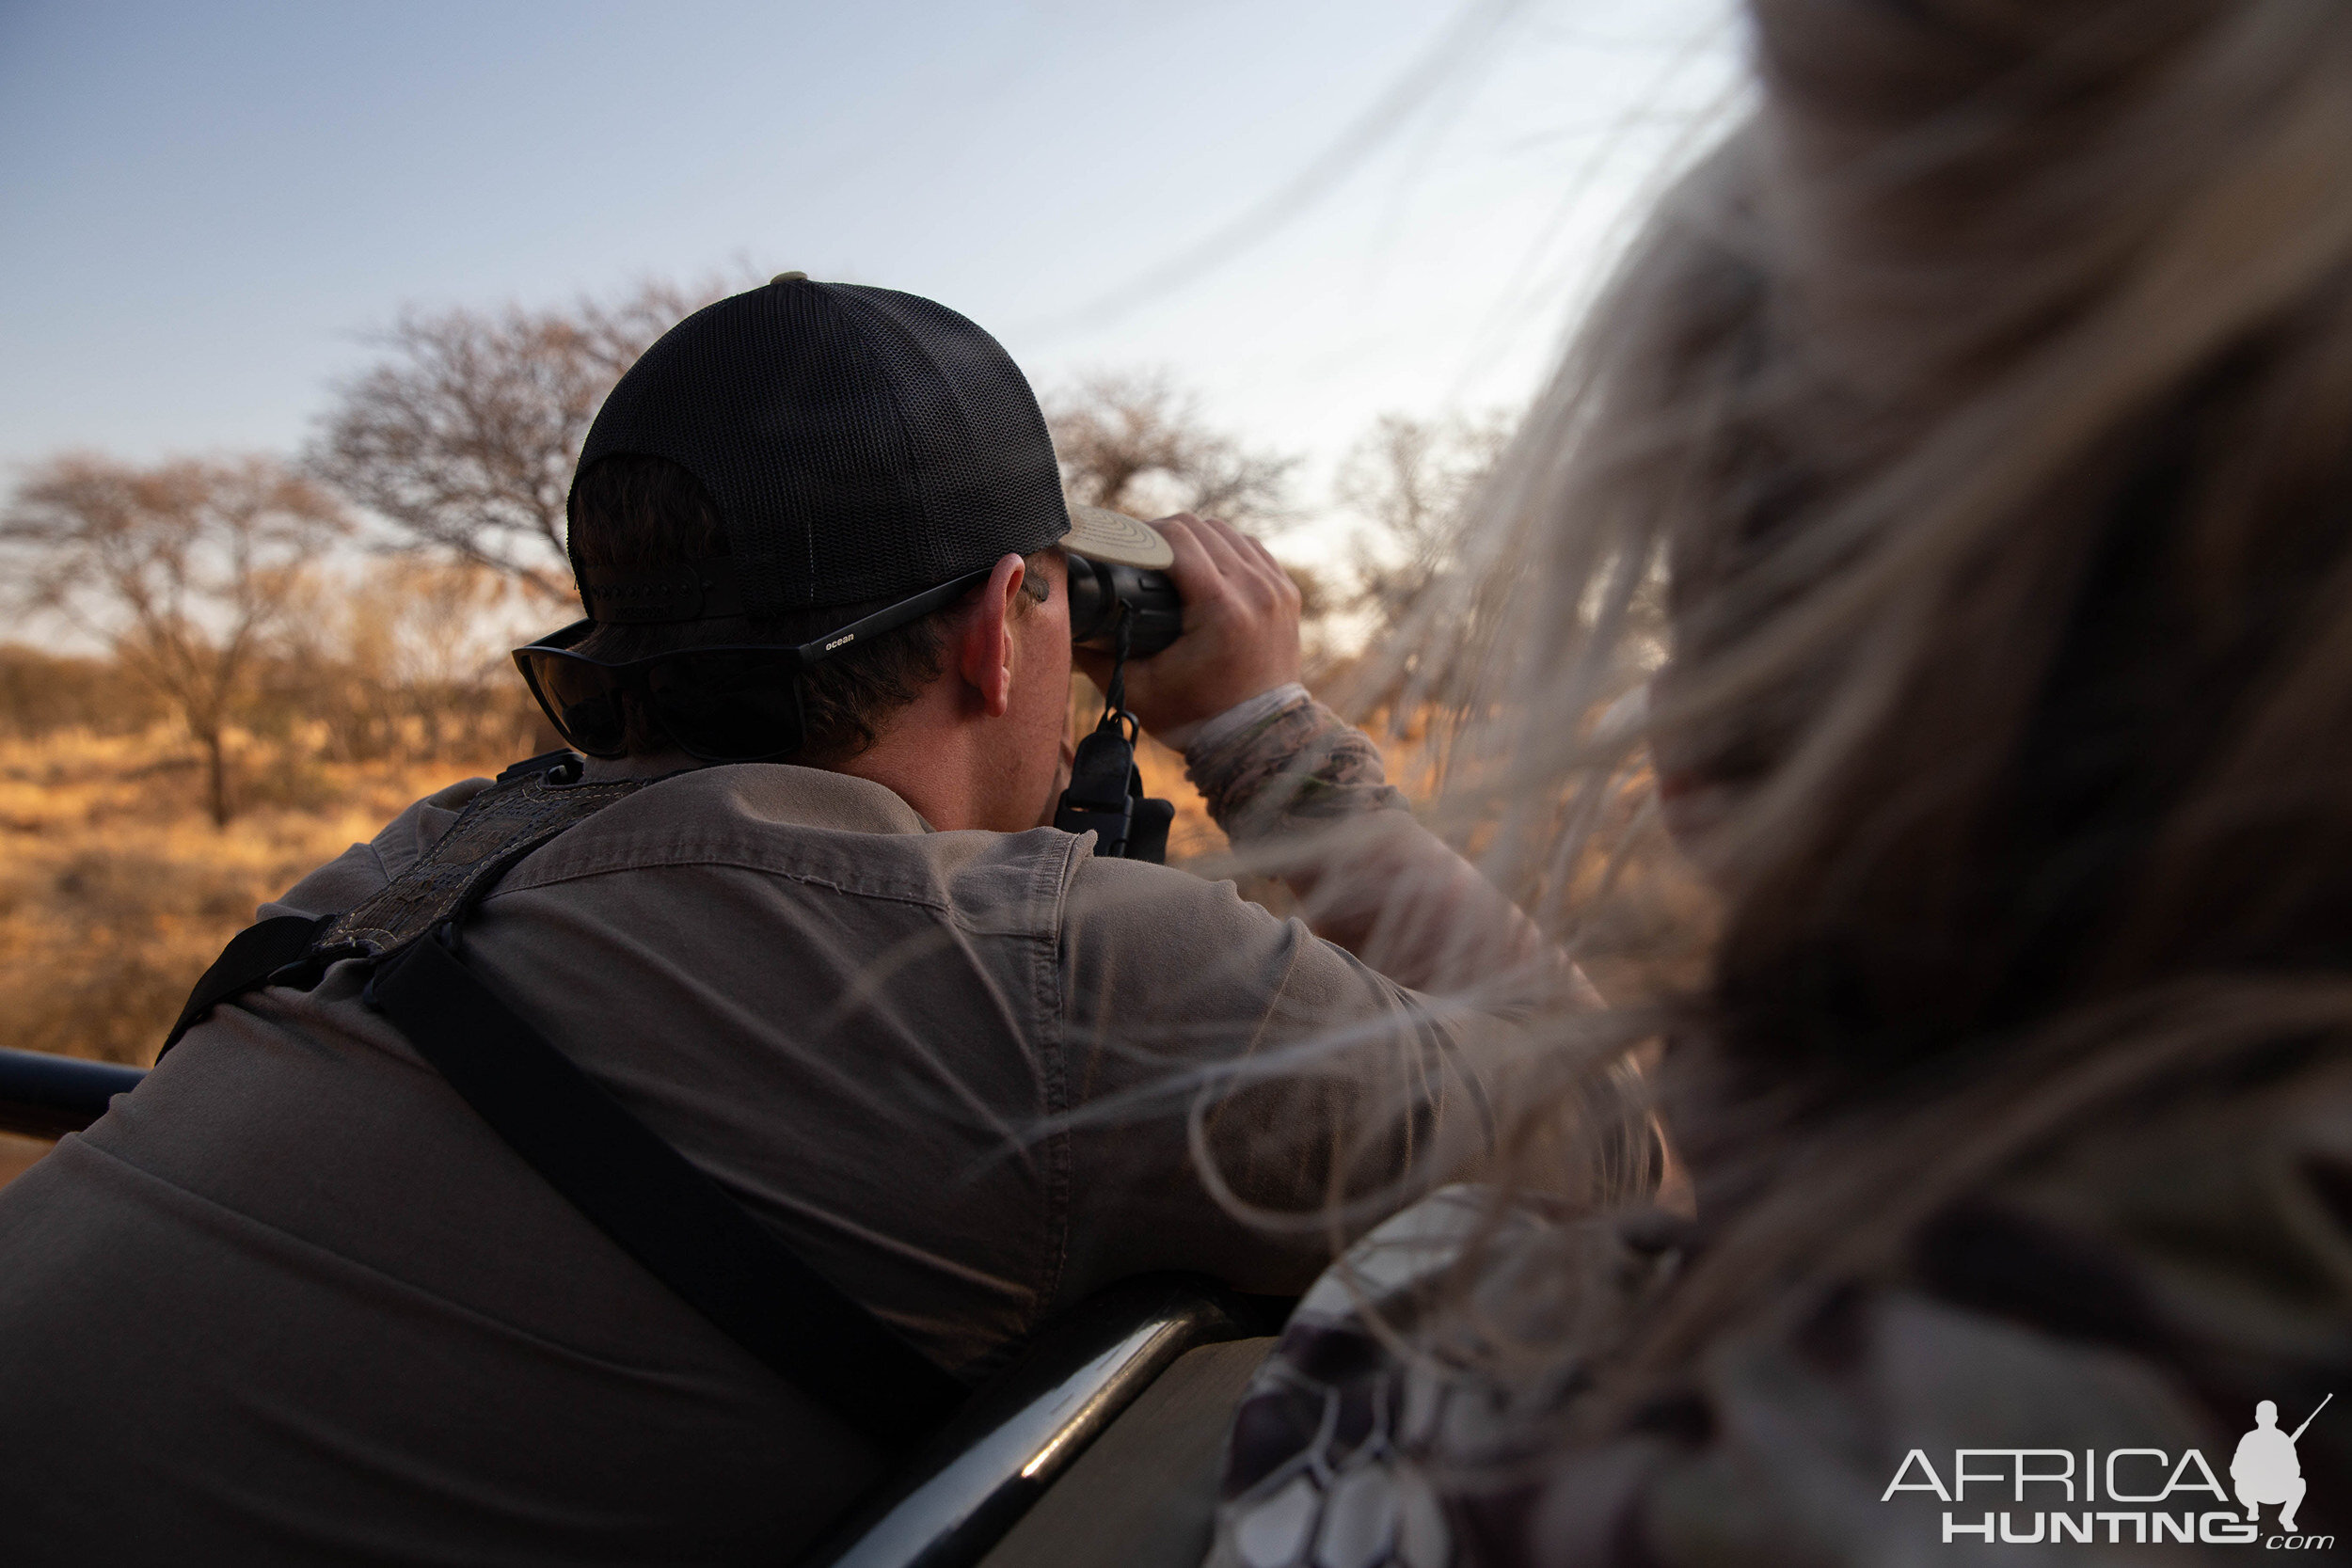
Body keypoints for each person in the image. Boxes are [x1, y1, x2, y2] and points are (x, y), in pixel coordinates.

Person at [0, 277, 1560, 1564]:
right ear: (999, 635)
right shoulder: (1053, 985)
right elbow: (1607, 1133)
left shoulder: (395, 871)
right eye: (1055, 605)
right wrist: (1267, 729)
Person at [1207, 1, 2352, 1562]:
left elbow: (1596, 1129)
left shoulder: (1451, 1411)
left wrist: (1249, 739)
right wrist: (1260, 727)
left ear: (1702, 762)